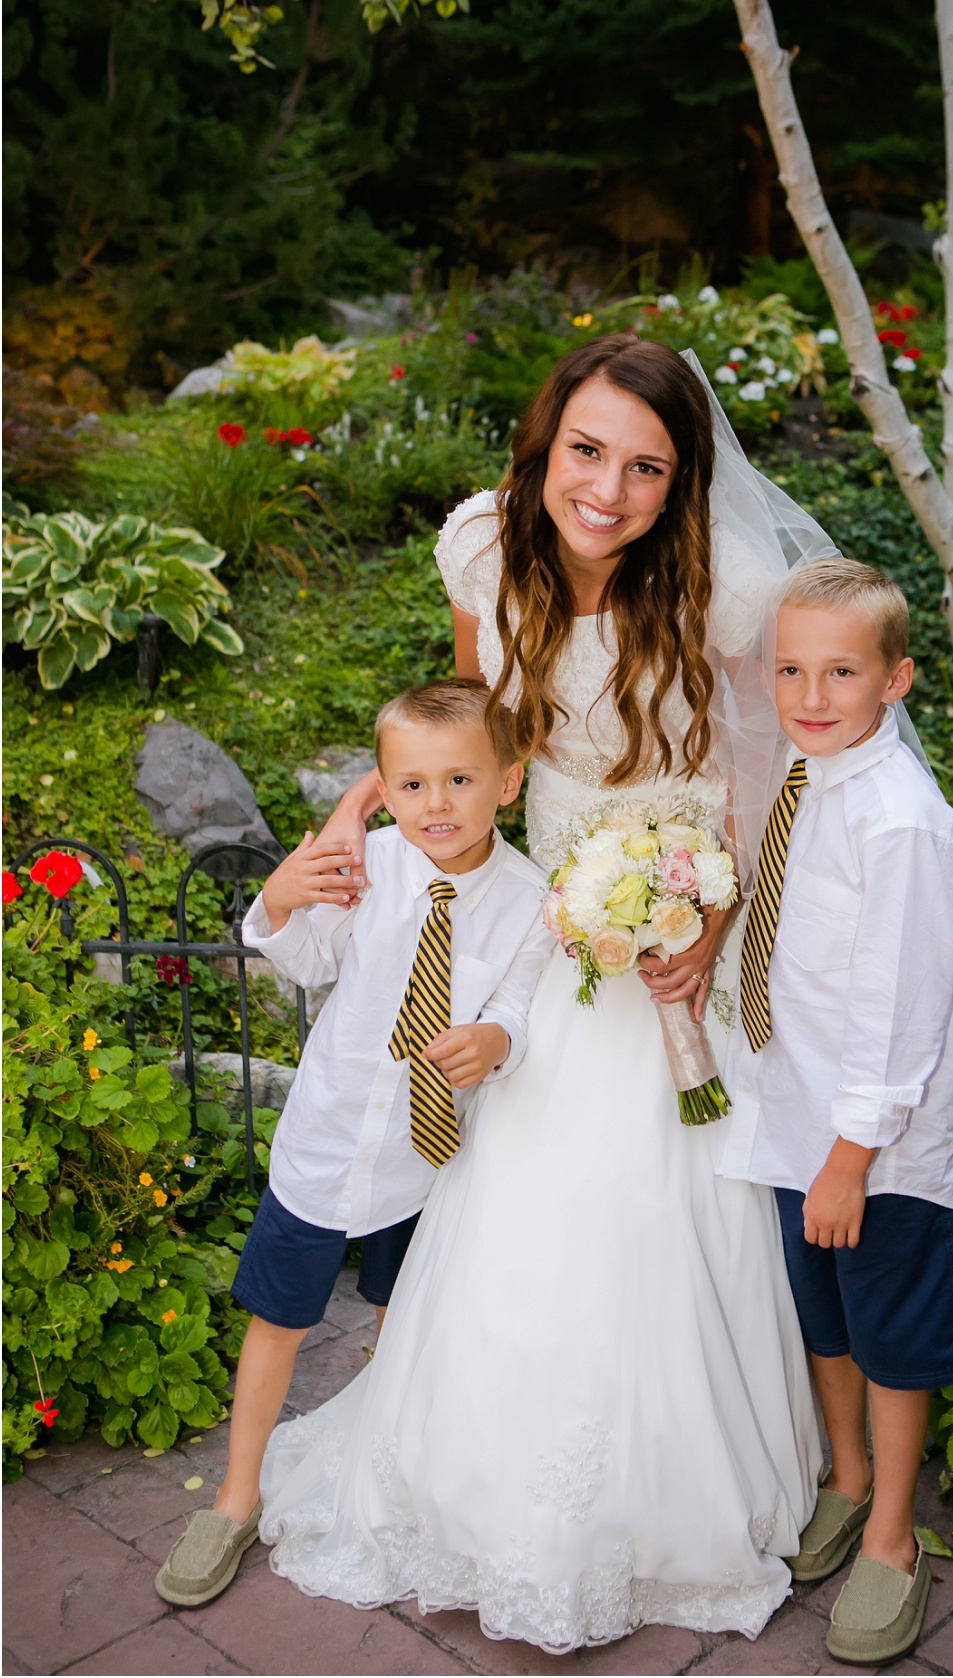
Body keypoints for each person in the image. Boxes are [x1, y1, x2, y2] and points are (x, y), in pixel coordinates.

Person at [254, 336, 830, 1652]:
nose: (609, 489)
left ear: (682, 483)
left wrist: (711, 916)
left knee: (659, 1204)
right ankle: (476, 1489)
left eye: (647, 467)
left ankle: (668, 1502)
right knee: (518, 1200)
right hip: (544, 930)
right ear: (543, 441)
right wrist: (363, 802)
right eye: (587, 451)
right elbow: (462, 721)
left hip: (674, 923)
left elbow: (765, 780)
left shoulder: (728, 591)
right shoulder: (482, 552)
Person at [154, 680, 551, 1608]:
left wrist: (495, 1042)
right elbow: (306, 959)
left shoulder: (531, 900)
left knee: (399, 1320)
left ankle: (385, 1468)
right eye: (410, 785)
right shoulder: (362, 864)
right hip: (329, 1146)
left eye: (460, 779)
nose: (436, 804)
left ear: (510, 782)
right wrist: (282, 900)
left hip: (430, 1159)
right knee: (277, 1316)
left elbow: (519, 1009)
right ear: (381, 785)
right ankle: (235, 1495)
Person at [719, 558, 953, 1666]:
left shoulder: (901, 823)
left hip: (874, 1147)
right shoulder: (804, 782)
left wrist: (849, 1156)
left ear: (897, 680)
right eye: (791, 668)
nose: (810, 693)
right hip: (795, 1119)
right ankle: (847, 1473)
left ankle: (891, 1537)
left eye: (840, 671)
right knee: (820, 1313)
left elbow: (899, 1011)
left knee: (890, 1331)